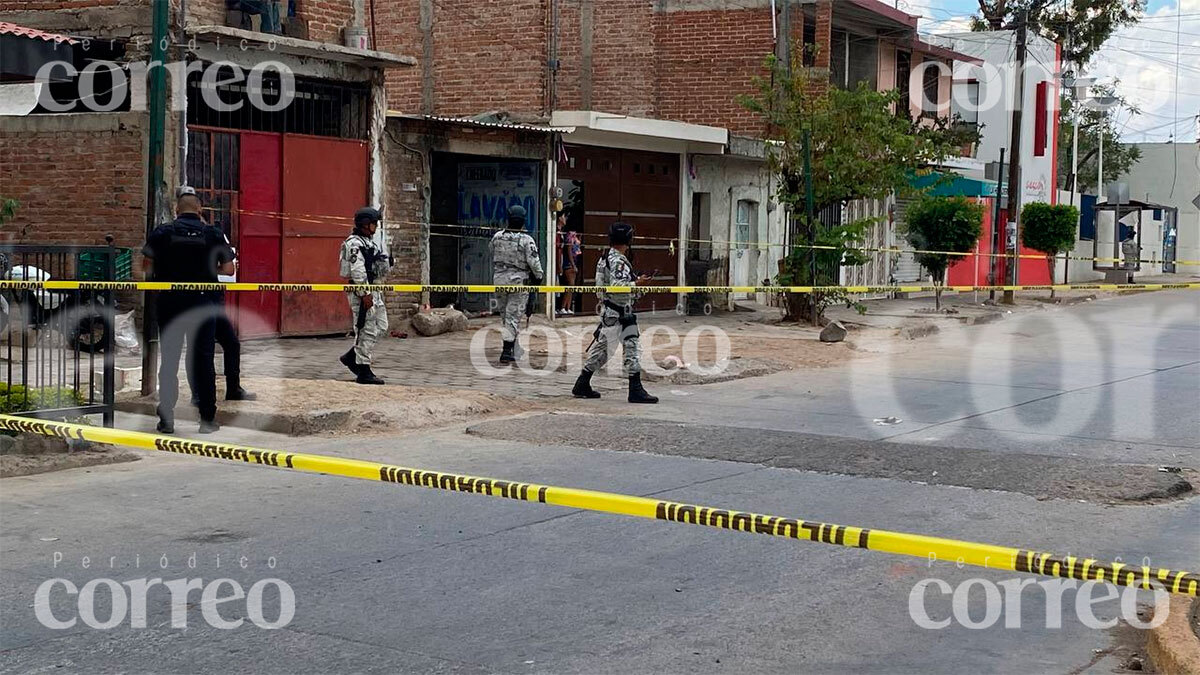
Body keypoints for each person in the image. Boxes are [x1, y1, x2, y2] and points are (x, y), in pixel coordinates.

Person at [143, 186, 236, 434]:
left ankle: (167, 420)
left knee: (170, 362)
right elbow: (229, 270)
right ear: (200, 209)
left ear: (176, 210)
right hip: (203, 305)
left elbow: (145, 269)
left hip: (171, 304)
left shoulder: (162, 233)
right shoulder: (214, 234)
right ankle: (207, 420)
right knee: (204, 360)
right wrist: (206, 273)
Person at [571, 221, 658, 404]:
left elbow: (602, 288)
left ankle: (582, 383)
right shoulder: (617, 261)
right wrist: (637, 284)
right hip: (620, 313)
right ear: (628, 239)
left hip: (611, 311)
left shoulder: (605, 258)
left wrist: (637, 286)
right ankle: (635, 390)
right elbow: (618, 287)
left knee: (603, 350)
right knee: (631, 349)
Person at [187, 223, 255, 404]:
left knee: (201, 348)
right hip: (211, 299)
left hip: (189, 300)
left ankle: (202, 393)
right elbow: (229, 269)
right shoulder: (214, 234)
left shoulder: (173, 235)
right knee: (226, 344)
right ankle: (227, 389)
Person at [339, 207, 391, 385]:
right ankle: (363, 370)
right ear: (364, 224)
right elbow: (358, 270)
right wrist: (365, 294)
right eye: (373, 223)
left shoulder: (369, 242)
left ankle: (352, 355)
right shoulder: (354, 244)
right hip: (362, 292)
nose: (376, 226)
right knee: (366, 329)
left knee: (381, 326)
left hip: (374, 290)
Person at [489, 204, 544, 364]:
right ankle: (507, 350)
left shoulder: (497, 236)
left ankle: (514, 345)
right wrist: (538, 277)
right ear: (523, 221)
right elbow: (534, 262)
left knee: (505, 315)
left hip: (499, 279)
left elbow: (491, 252)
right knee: (513, 316)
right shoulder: (527, 239)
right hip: (519, 280)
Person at [558, 216, 582, 315]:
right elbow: (568, 251)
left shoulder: (576, 235)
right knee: (570, 285)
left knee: (572, 287)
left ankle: (568, 308)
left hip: (575, 262)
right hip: (569, 264)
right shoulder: (570, 236)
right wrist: (573, 264)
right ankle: (563, 307)